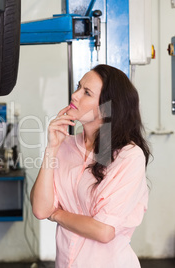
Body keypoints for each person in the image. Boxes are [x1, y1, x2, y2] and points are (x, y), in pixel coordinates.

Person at [30, 64, 151, 267]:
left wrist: (56, 213)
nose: (74, 96)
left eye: (86, 92)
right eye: (78, 87)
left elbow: (103, 230)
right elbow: (41, 210)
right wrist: (51, 148)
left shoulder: (128, 156)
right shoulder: (65, 146)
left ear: (107, 107)